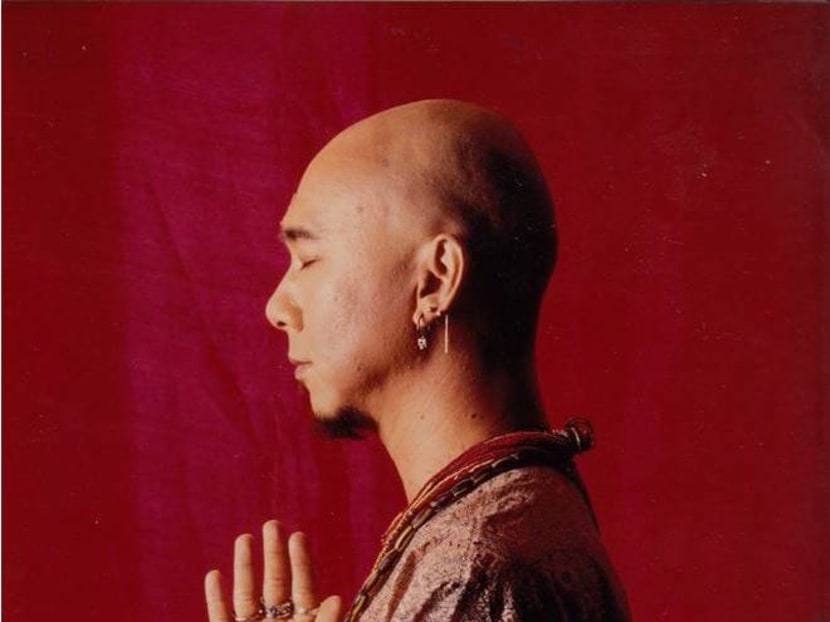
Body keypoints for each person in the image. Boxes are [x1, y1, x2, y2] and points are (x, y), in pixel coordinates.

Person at [204, 99, 630, 622]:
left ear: (434, 279)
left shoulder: (471, 569)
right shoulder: (522, 512)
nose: (276, 308)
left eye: (309, 259)